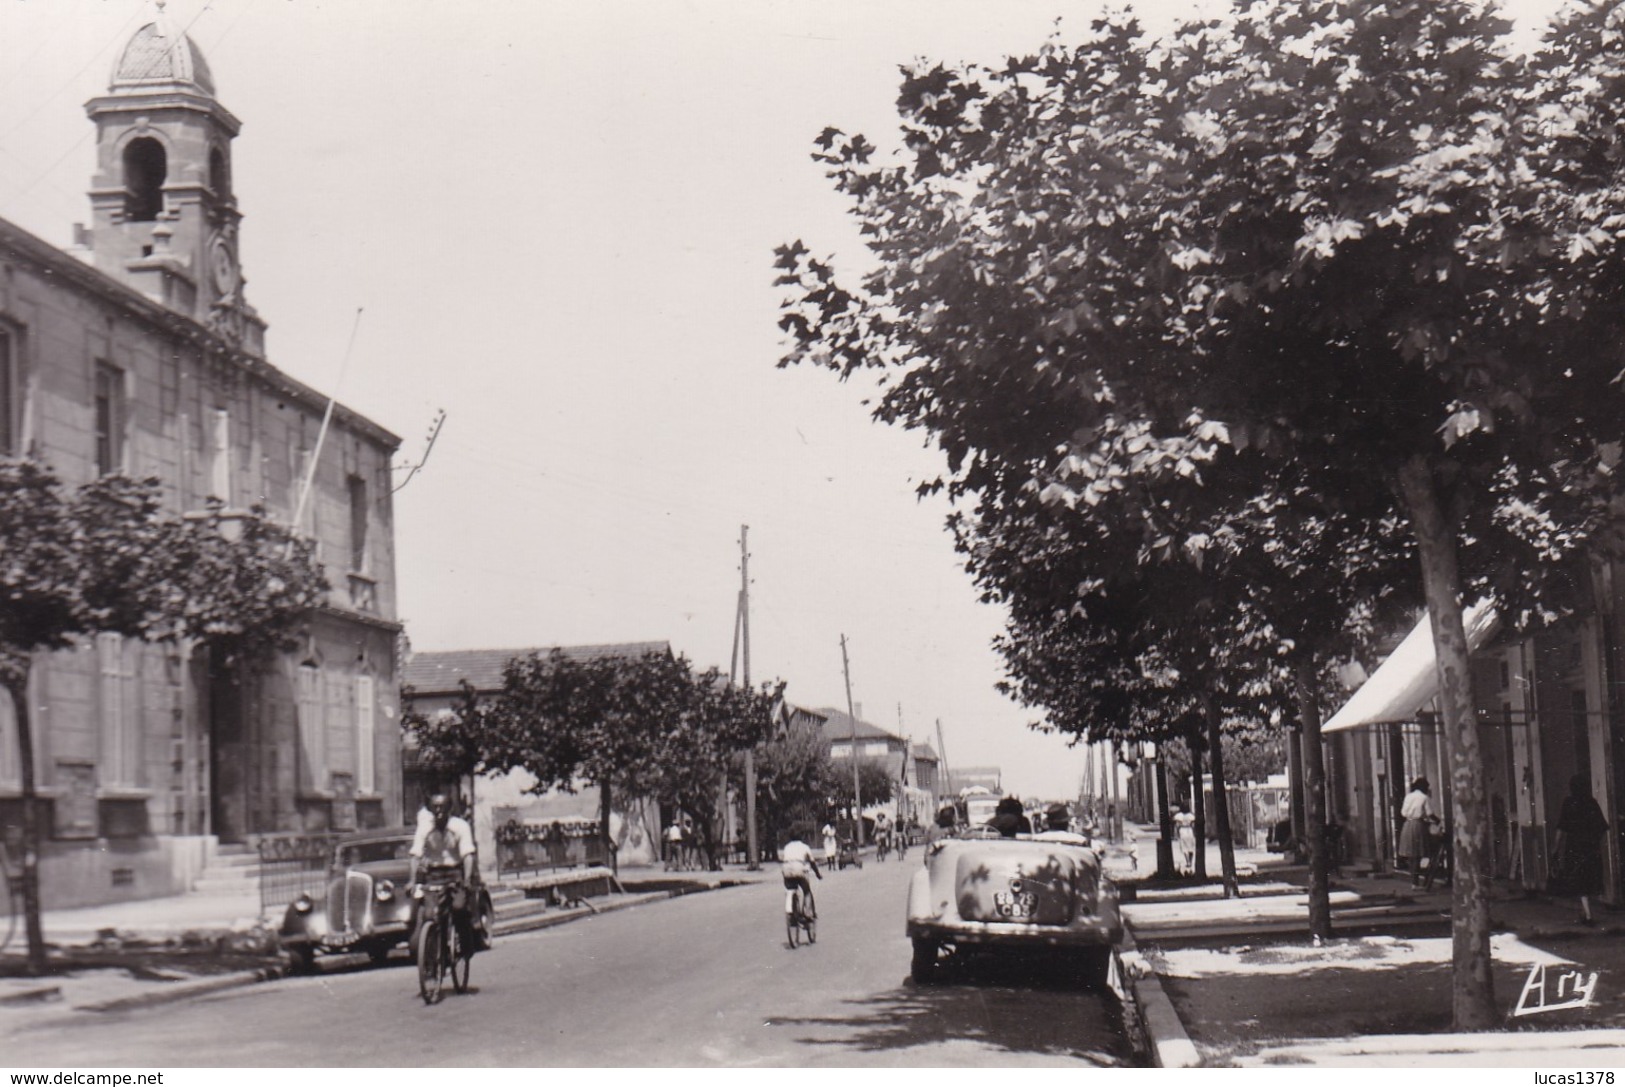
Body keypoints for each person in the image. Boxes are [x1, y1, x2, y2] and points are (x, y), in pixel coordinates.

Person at [410, 792, 482, 949]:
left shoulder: (460, 826)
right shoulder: (424, 828)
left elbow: (468, 855)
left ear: (449, 809)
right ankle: (434, 950)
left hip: (454, 873)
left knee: (458, 908)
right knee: (430, 914)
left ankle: (465, 944)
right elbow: (416, 856)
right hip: (433, 875)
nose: (439, 811)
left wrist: (467, 880)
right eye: (435, 807)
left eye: (442, 807)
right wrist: (412, 881)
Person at [1554, 773, 1609, 924]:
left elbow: (1561, 827)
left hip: (1574, 847)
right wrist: (1595, 842)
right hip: (1591, 847)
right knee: (1590, 879)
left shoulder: (1569, 802)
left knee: (1579, 882)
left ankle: (1588, 914)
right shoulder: (1592, 803)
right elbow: (1603, 827)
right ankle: (1586, 912)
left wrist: (1555, 847)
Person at [1398, 777, 1439, 888]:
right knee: (1420, 853)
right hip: (1418, 825)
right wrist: (1438, 820)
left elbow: (1403, 812)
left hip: (1407, 824)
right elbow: (1430, 813)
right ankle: (1418, 879)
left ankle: (1414, 881)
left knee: (1412, 855)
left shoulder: (1408, 796)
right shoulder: (1424, 797)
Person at [779, 833, 823, 919]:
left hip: (786, 869)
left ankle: (791, 910)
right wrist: (817, 874)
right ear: (802, 837)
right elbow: (812, 862)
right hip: (798, 868)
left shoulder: (787, 847)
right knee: (806, 891)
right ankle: (807, 913)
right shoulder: (804, 846)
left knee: (790, 888)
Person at [1174, 804, 1197, 875]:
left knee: (1184, 847)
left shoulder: (1179, 816)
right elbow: (1193, 826)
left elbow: (1177, 826)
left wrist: (1176, 834)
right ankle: (1190, 860)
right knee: (1191, 847)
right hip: (1189, 831)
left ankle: (1187, 861)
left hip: (1182, 831)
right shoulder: (1191, 816)